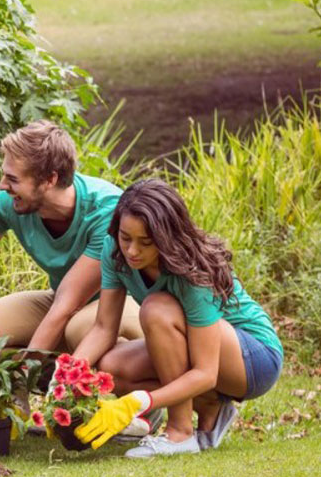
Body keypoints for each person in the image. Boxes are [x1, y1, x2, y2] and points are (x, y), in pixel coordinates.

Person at [73, 179, 282, 457]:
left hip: (253, 357)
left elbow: (206, 373)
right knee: (114, 366)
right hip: (206, 352)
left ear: (165, 238)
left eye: (145, 242)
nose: (132, 251)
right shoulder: (114, 250)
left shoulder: (191, 272)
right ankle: (209, 406)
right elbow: (103, 328)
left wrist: (140, 402)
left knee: (157, 309)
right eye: (126, 238)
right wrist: (66, 377)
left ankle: (180, 434)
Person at [0, 120, 143, 352]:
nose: (1, 186)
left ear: (50, 179)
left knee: (78, 331)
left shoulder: (106, 210)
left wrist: (27, 370)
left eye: (12, 179)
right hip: (60, 300)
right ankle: (53, 368)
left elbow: (68, 305)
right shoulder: (9, 201)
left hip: (121, 304)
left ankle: (110, 373)